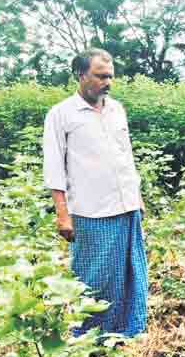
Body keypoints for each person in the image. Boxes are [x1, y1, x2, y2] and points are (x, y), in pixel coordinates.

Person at [42, 48, 148, 337]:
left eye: (110, 76)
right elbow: (54, 168)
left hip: (125, 204)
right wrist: (62, 215)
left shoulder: (116, 109)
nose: (107, 82)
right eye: (100, 76)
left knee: (130, 272)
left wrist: (136, 197)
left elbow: (126, 156)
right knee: (93, 275)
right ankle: (89, 337)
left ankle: (128, 331)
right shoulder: (61, 114)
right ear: (80, 75)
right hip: (90, 210)